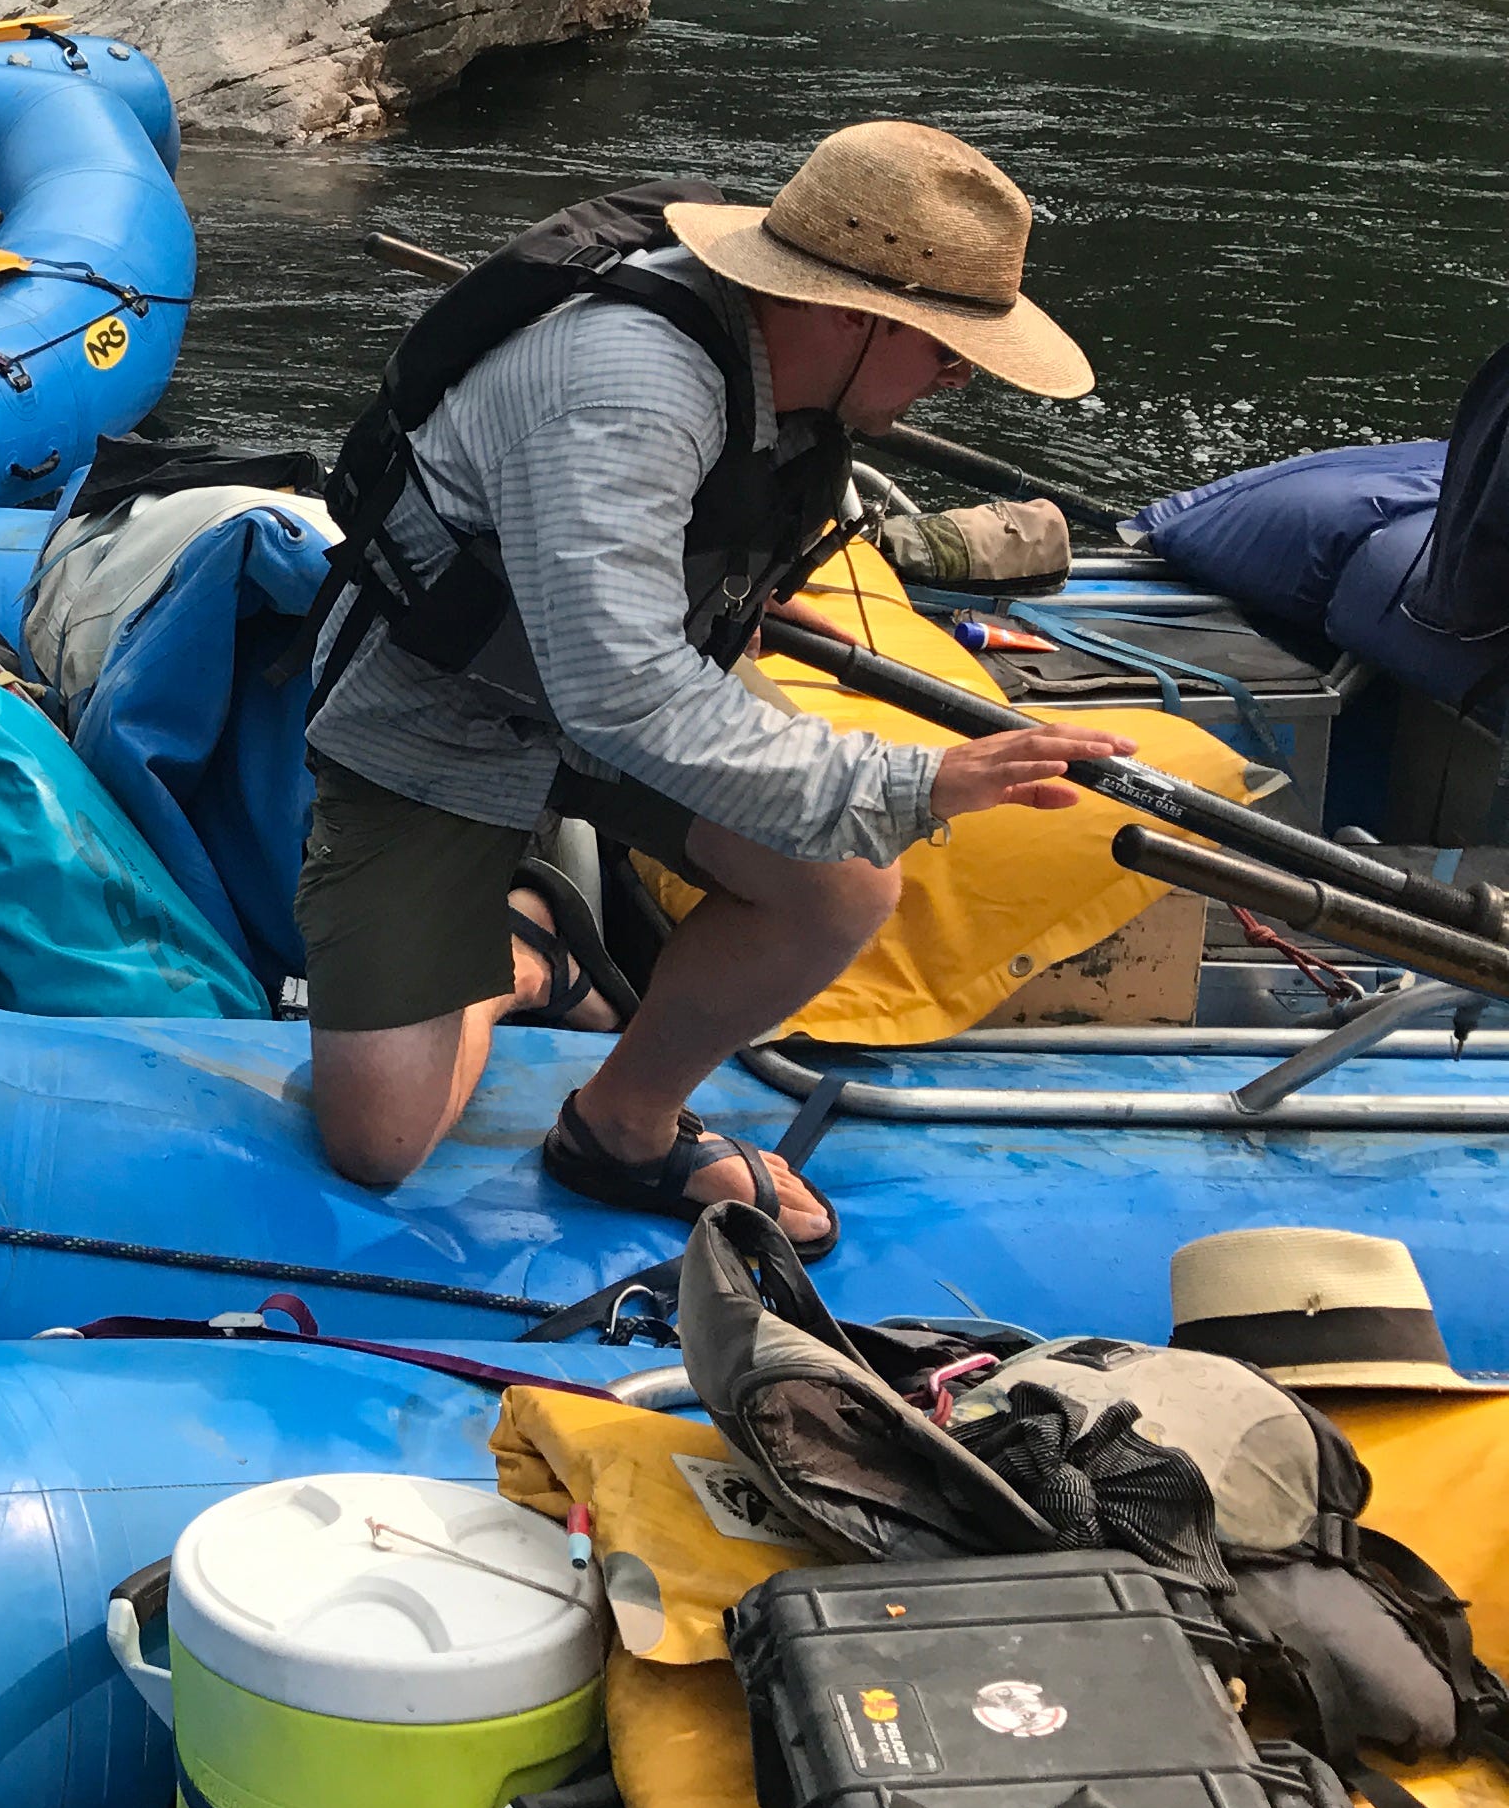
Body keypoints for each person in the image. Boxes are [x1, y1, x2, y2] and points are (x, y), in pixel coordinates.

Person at [295, 121, 1132, 1249]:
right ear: (850, 315)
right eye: (943, 348)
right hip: (448, 714)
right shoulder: (628, 389)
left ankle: (622, 1125)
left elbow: (652, 630)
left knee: (842, 883)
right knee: (379, 1145)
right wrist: (917, 782)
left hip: (623, 682)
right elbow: (623, 693)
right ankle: (524, 955)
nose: (957, 376)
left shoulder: (783, 371)